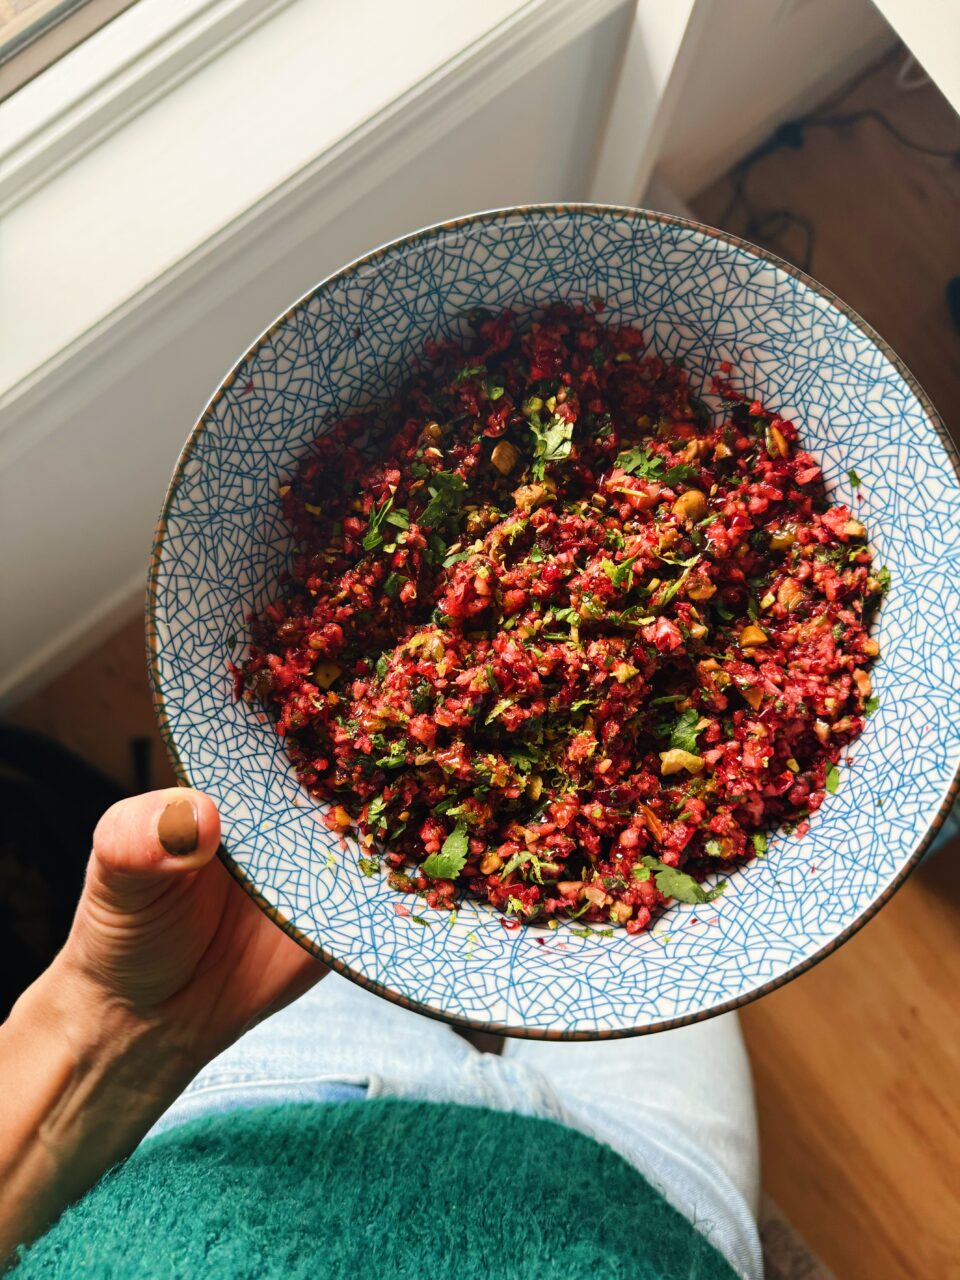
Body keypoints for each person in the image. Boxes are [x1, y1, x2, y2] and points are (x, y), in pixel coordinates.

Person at [1, 789, 763, 1278]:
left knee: (339, 856)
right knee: (679, 924)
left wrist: (118, 1034)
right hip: (643, 1202)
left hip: (260, 1108)